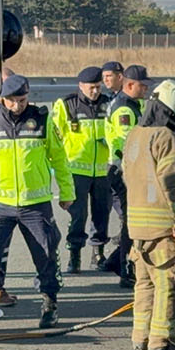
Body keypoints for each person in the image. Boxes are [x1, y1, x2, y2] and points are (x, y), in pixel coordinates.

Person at [0, 75, 75, 328]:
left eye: (21, 100)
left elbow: (59, 159)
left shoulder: (42, 119)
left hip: (36, 203)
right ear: (2, 99)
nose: (17, 106)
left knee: (46, 254)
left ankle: (49, 303)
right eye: (11, 101)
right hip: (0, 203)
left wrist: (67, 192)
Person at [123, 79, 175, 350]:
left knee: (143, 285)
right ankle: (162, 340)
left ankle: (140, 336)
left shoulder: (134, 135)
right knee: (167, 285)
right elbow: (173, 182)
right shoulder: (166, 138)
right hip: (163, 227)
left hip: (137, 227)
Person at [54, 66, 112, 274]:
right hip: (76, 171)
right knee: (77, 216)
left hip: (103, 171)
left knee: (102, 214)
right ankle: (74, 255)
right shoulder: (67, 105)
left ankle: (98, 254)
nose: (95, 91)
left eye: (98, 87)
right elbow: (54, 136)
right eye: (91, 88)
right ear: (80, 86)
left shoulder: (109, 104)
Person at [103, 64, 152, 288]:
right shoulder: (124, 108)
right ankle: (124, 268)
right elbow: (128, 143)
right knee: (130, 222)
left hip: (122, 169)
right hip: (123, 170)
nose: (146, 89)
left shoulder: (130, 103)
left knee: (130, 220)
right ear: (130, 84)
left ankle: (115, 261)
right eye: (143, 86)